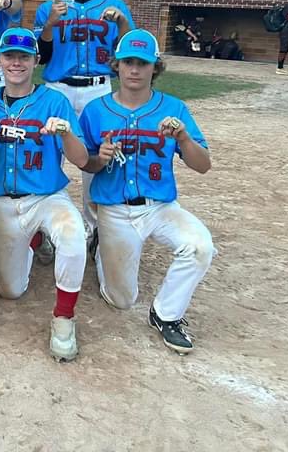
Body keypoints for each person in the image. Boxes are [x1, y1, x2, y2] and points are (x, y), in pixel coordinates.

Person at [80, 29, 215, 355]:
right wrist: (100, 158)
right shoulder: (96, 110)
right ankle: (100, 245)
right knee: (121, 300)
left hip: (161, 207)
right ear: (116, 65)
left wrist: (183, 139)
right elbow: (85, 163)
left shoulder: (174, 108)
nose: (135, 70)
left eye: (143, 62)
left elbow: (203, 164)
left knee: (199, 247)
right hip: (115, 209)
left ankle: (166, 315)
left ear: (156, 67)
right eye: (128, 62)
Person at [0, 28, 88, 361]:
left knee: (73, 234)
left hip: (48, 197)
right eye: (9, 56)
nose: (16, 63)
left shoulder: (54, 101)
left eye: (24, 56)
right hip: (4, 203)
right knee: (10, 290)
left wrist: (65, 134)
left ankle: (64, 318)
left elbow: (80, 160)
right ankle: (35, 240)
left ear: (36, 60)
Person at [34, 0, 134, 253]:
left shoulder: (115, 6)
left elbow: (132, 50)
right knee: (51, 155)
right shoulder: (48, 8)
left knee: (98, 156)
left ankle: (93, 228)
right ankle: (46, 228)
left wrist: (121, 24)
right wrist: (50, 22)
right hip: (58, 89)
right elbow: (42, 55)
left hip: (97, 89)